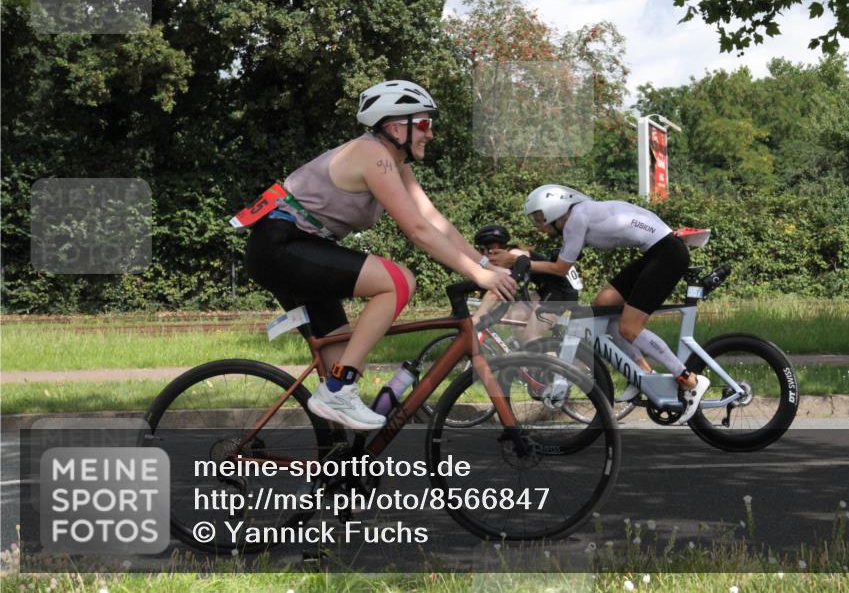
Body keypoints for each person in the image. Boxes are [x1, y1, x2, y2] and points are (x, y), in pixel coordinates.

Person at [243, 80, 516, 431]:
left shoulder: (394, 163)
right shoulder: (372, 155)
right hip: (280, 245)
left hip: (299, 248)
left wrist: (482, 265)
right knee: (399, 281)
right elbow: (416, 230)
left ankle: (335, 466)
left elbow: (434, 221)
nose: (429, 134)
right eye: (423, 124)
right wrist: (480, 277)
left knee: (346, 360)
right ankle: (338, 388)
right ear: (394, 126)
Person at [490, 184, 710, 425]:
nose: (538, 225)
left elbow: (561, 269)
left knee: (629, 328)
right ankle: (642, 375)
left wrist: (517, 260)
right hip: (657, 251)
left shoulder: (575, 220)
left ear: (554, 210)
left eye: (539, 218)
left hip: (667, 254)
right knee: (602, 306)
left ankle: (689, 380)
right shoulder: (580, 215)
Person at [470, 224, 581, 343]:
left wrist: (477, 317)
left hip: (560, 293)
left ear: (493, 247)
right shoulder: (508, 255)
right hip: (547, 290)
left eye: (482, 250)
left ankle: (546, 358)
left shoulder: (514, 255)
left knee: (532, 337)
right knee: (516, 316)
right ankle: (525, 353)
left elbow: (497, 290)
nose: (482, 254)